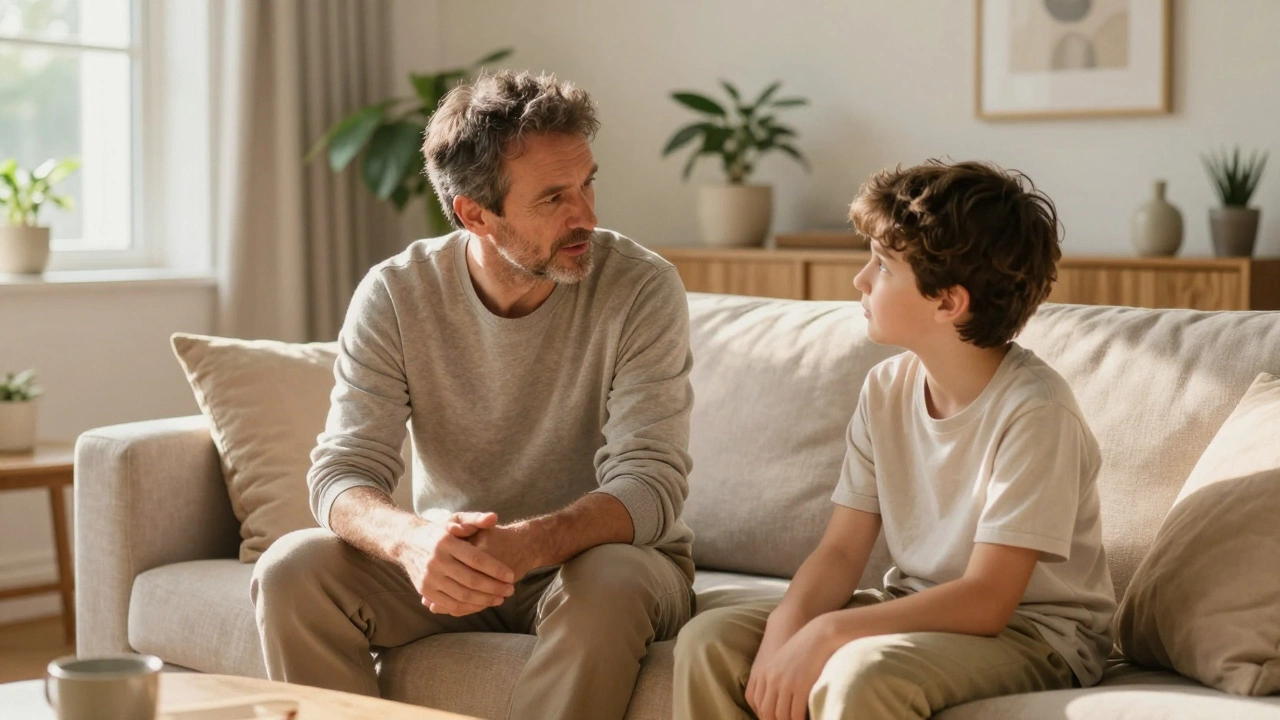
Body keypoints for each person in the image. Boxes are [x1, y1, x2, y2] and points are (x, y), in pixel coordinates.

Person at [251, 70, 696, 720]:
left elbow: (651, 484)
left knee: (611, 581)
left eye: (588, 183)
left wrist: (525, 546)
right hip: (457, 563)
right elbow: (342, 474)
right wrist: (411, 542)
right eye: (553, 199)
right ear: (474, 214)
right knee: (292, 569)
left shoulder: (642, 288)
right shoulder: (396, 293)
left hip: (599, 563)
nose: (588, 217)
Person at [674, 160, 1117, 720]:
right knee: (710, 641)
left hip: (1036, 634)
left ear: (948, 302)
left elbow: (987, 601)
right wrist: (786, 630)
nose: (860, 280)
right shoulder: (885, 389)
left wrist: (830, 631)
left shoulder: (1036, 412)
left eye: (882, 266)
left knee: (862, 676)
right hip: (912, 607)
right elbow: (839, 551)